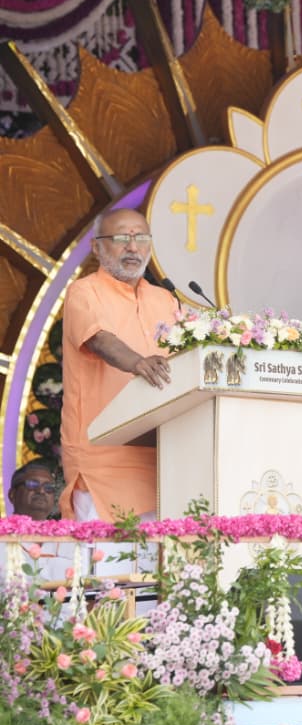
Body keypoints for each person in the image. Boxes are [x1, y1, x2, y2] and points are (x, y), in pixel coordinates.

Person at [59, 208, 176, 522]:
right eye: (122, 238)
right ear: (96, 247)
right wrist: (138, 363)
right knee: (107, 568)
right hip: (102, 461)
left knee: (163, 568)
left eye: (141, 239)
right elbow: (99, 339)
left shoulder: (165, 300)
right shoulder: (84, 292)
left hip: (161, 458)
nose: (133, 248)